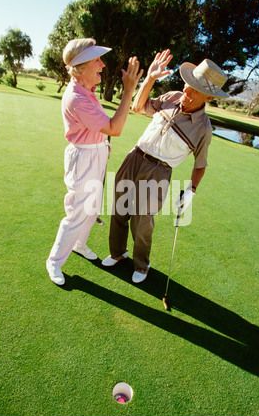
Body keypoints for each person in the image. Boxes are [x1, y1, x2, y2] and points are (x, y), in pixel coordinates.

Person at [102, 49, 229, 283]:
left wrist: (191, 191)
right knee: (119, 209)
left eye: (195, 90)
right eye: (188, 85)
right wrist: (150, 78)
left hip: (158, 172)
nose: (187, 92)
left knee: (142, 221)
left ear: (208, 98)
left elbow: (200, 164)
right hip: (134, 156)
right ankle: (118, 253)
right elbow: (138, 107)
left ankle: (141, 266)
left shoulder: (203, 129)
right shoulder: (171, 96)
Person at [46, 38, 143, 285]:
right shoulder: (77, 97)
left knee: (93, 207)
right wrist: (129, 89)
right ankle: (54, 261)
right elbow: (115, 128)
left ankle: (78, 244)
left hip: (96, 153)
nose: (102, 65)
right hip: (85, 157)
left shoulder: (87, 91)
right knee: (78, 212)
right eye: (96, 60)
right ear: (81, 67)